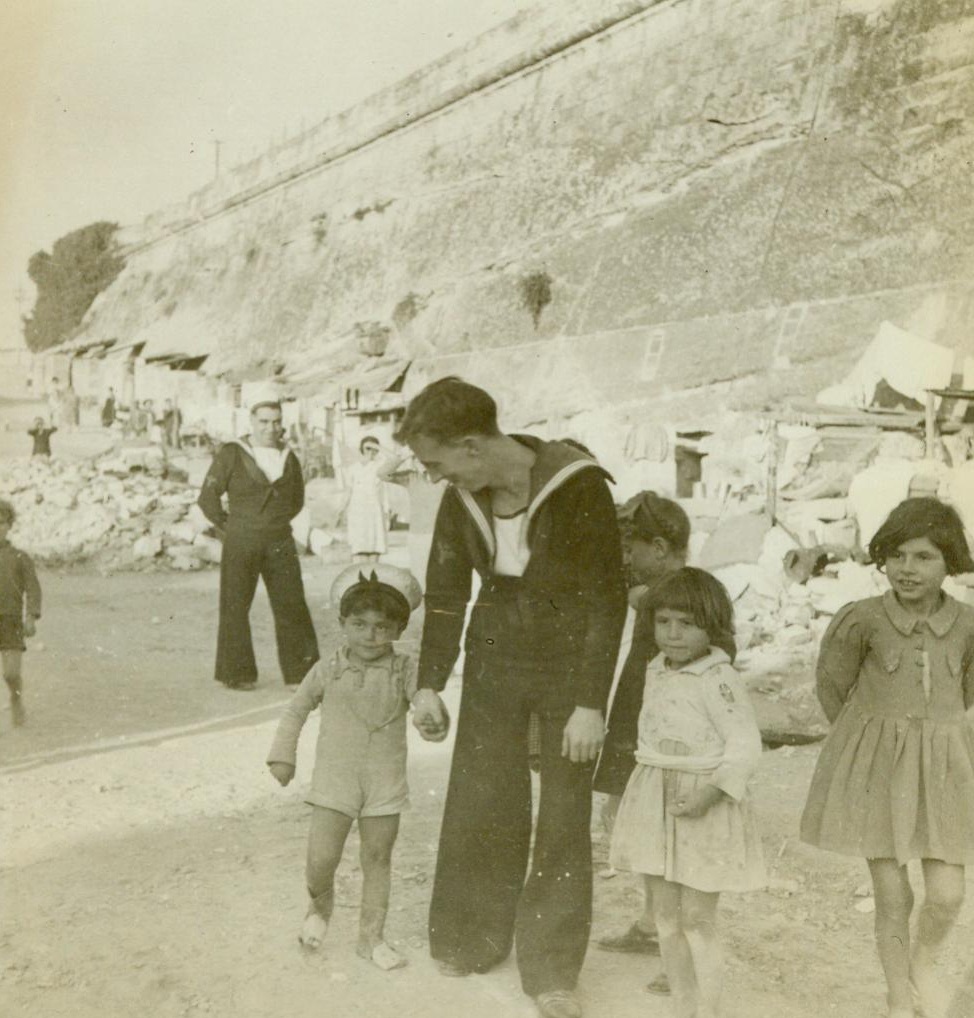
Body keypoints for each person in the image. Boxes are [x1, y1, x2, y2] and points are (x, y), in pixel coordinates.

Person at [400, 377, 627, 1018]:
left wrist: (590, 702)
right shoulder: (461, 499)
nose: (434, 475)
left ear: (472, 447)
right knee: (483, 793)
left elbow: (608, 601)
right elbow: (446, 596)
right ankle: (473, 936)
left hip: (567, 657)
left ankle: (552, 969)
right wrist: (429, 684)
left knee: (562, 811)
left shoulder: (577, 484)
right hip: (497, 650)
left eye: (436, 462)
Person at [800, 497, 974, 1018]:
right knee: (893, 895)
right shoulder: (863, 619)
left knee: (946, 893)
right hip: (878, 772)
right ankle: (899, 996)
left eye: (923, 557)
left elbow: (966, 694)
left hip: (943, 769)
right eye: (896, 556)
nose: (907, 569)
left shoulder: (967, 624)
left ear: (950, 562)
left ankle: (922, 963)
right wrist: (866, 744)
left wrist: (934, 740)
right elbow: (833, 686)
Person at [609, 567, 765, 1018]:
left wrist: (710, 793)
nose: (673, 634)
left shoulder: (718, 678)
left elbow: (744, 746)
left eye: (687, 623)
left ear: (711, 625)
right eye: (663, 622)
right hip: (657, 795)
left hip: (704, 800)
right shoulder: (654, 669)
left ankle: (709, 1011)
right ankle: (682, 1006)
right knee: (665, 917)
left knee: (697, 919)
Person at [267, 564, 424, 970]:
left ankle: (371, 939)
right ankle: (320, 907)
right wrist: (283, 754)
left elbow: (425, 709)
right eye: (359, 624)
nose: (370, 635)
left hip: (384, 782)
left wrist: (432, 718)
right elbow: (295, 710)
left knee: (378, 858)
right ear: (342, 623)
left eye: (382, 627)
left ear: (398, 630)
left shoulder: (406, 669)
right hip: (334, 781)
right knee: (321, 859)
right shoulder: (329, 668)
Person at [593, 492, 690, 993]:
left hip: (668, 733)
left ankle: (681, 956)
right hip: (639, 719)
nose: (625, 560)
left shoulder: (681, 595)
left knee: (669, 840)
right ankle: (653, 924)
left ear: (657, 546)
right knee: (646, 831)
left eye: (630, 549)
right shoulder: (657, 589)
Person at [197, 398, 320, 690]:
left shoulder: (289, 456)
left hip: (279, 541)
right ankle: (237, 675)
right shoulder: (232, 453)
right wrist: (232, 528)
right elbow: (208, 496)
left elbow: (296, 499)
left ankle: (301, 675)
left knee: (292, 605)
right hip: (241, 541)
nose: (270, 428)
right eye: (264, 421)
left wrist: (273, 522)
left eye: (276, 422)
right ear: (252, 422)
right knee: (235, 606)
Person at [0, 500, 42, 727]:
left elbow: (33, 588)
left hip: (10, 621)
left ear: (9, 525)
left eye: (1, 523)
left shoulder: (19, 557)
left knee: (10, 673)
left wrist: (31, 616)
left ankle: (16, 700)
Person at [341, 436, 402, 562]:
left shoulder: (380, 467)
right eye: (367, 448)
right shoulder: (352, 469)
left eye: (374, 449)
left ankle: (373, 578)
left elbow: (396, 459)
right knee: (359, 549)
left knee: (375, 548)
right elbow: (348, 492)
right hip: (357, 511)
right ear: (361, 449)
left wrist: (378, 447)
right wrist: (342, 510)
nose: (371, 452)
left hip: (374, 511)